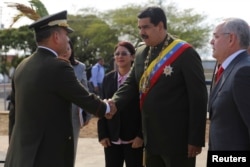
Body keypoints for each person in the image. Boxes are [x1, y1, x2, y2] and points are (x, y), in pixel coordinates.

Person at [5, 10, 116, 167]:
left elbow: (13, 113)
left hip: (20, 156)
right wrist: (105, 107)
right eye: (66, 34)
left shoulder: (23, 65)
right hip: (46, 157)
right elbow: (83, 98)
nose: (67, 39)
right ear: (56, 37)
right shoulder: (58, 67)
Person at [111, 6, 208, 167]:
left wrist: (195, 139)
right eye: (139, 27)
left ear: (160, 26)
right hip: (150, 139)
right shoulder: (141, 52)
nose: (142, 32)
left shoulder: (185, 53)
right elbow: (131, 84)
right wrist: (113, 103)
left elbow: (198, 97)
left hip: (178, 142)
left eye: (146, 27)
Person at [98, 41, 144, 167]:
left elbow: (145, 110)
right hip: (112, 138)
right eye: (117, 53)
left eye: (124, 53)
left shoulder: (140, 80)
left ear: (133, 57)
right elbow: (102, 107)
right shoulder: (108, 79)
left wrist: (141, 135)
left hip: (133, 139)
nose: (120, 56)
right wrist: (103, 135)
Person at [208, 18, 250, 151]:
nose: (211, 41)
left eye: (216, 36)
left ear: (231, 39)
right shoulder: (231, 69)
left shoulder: (243, 71)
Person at [58, 40, 92, 164]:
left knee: (70, 149)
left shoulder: (80, 67)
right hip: (53, 115)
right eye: (62, 50)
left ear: (72, 50)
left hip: (73, 116)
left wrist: (88, 113)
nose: (65, 52)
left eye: (68, 49)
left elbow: (85, 91)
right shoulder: (51, 66)